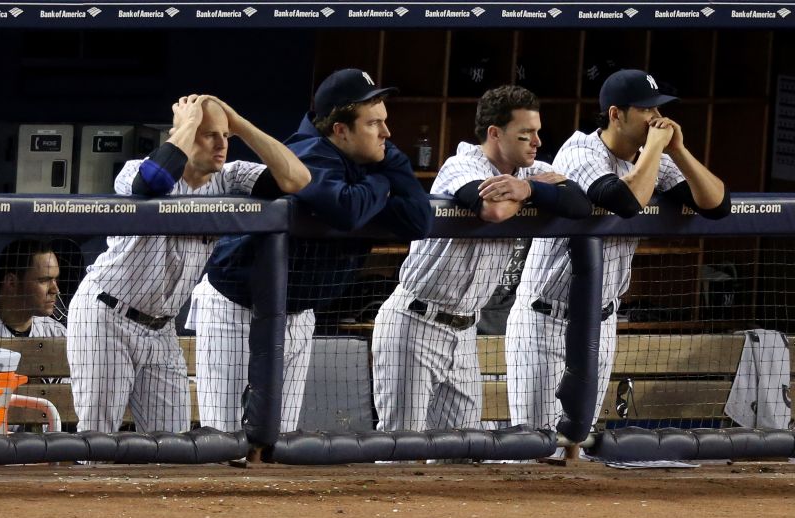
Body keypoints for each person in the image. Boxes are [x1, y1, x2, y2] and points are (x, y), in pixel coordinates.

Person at [189, 68, 433, 432]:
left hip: (297, 311)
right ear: (340, 130)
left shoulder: (372, 158)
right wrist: (383, 182)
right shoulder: (307, 153)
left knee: (280, 435)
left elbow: (419, 221)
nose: (387, 134)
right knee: (225, 434)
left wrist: (383, 170)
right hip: (236, 308)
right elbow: (347, 210)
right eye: (374, 124)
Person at [66, 94, 311, 434]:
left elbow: (297, 179)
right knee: (97, 438)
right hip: (107, 316)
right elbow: (152, 183)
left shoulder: (229, 178)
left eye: (225, 136)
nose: (221, 144)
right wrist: (187, 124)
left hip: (162, 329)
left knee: (174, 446)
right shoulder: (135, 169)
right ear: (182, 132)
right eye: (209, 134)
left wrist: (239, 123)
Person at [505, 69, 731, 435]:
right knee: (537, 443)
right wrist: (656, 149)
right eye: (646, 110)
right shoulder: (582, 150)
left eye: (660, 108)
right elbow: (625, 201)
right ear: (616, 114)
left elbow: (717, 205)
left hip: (601, 320)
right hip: (545, 318)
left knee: (576, 440)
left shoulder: (650, 156)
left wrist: (679, 151)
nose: (657, 119)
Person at [371, 85, 592, 433]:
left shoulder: (529, 172)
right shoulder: (462, 164)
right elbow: (493, 209)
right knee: (401, 445)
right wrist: (536, 192)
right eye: (525, 135)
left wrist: (530, 188)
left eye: (537, 132)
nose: (536, 141)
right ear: (495, 134)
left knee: (461, 452)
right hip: (416, 321)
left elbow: (580, 203)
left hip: (465, 331)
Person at [0, 239, 65, 338]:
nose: (55, 290)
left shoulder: (57, 334)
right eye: (44, 280)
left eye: (56, 279)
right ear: (11, 282)